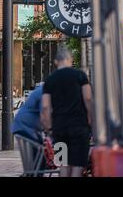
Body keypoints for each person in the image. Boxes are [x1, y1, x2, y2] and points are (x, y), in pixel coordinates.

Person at [41, 48, 93, 177]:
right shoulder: (80, 76)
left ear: (55, 62)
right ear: (71, 60)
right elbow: (88, 98)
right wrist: (91, 119)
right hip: (79, 126)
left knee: (63, 162)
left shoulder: (50, 80)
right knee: (78, 162)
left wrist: (48, 127)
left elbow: (46, 106)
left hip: (59, 128)